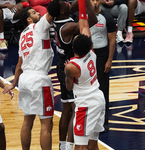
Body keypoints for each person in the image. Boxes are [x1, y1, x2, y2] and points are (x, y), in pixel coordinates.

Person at [2, 1, 61, 149]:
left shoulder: (22, 35)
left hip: (25, 80)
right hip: (39, 79)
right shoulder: (39, 26)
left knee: (27, 122)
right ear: (29, 19)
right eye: (34, 13)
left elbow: (19, 65)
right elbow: (53, 10)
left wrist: (14, 84)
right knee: (46, 124)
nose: (38, 13)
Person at [53, 0, 97, 149]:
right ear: (62, 11)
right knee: (74, 109)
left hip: (61, 64)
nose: (66, 2)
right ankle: (70, 145)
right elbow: (91, 21)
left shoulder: (58, 19)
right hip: (72, 67)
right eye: (63, 3)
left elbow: (70, 8)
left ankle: (61, 145)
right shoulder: (68, 27)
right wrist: (86, 2)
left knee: (66, 108)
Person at [64, 0, 105, 148]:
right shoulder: (91, 52)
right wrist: (82, 2)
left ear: (73, 47)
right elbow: (84, 22)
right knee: (93, 144)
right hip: (98, 99)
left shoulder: (71, 67)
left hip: (86, 104)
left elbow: (68, 87)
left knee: (80, 146)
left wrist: (66, 71)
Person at [90, 0, 116, 132]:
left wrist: (109, 60)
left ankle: (104, 122)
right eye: (91, 0)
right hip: (87, 55)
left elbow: (112, 40)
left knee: (103, 89)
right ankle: (88, 120)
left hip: (101, 55)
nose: (93, 2)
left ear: (99, 1)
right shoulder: (82, 17)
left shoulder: (107, 17)